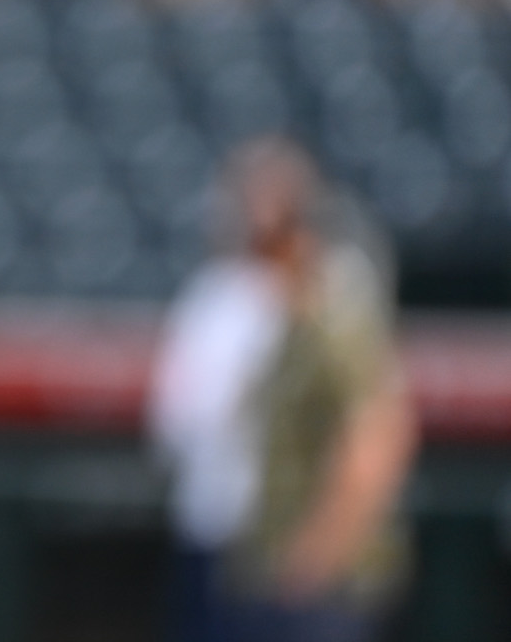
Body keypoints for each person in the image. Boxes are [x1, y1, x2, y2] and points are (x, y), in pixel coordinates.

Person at [149, 138, 415, 642]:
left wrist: (317, 554)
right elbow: (182, 420)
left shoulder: (337, 311)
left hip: (318, 579)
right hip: (257, 557)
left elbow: (375, 441)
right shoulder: (243, 301)